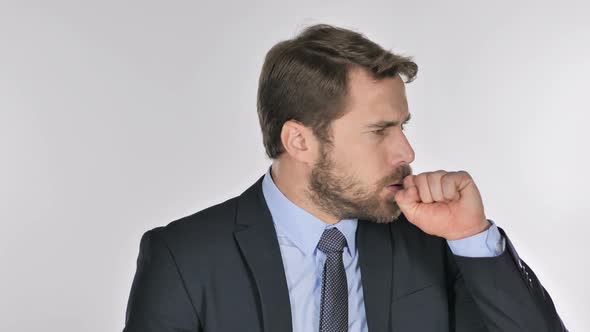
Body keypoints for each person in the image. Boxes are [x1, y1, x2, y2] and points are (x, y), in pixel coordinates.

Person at [123, 24, 567, 332]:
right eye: (379, 131)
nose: (407, 153)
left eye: (402, 126)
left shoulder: (431, 242)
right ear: (299, 141)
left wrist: (471, 237)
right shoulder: (184, 257)